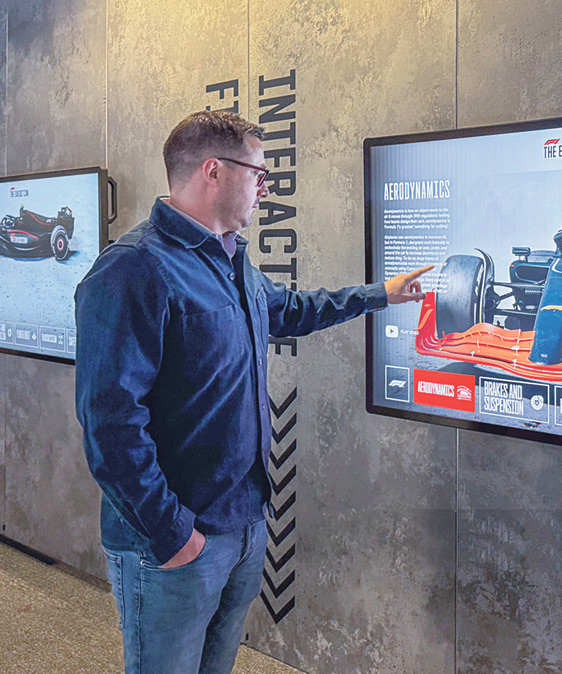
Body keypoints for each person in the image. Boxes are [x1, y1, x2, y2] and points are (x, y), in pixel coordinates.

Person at [75, 110, 429, 674]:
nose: (266, 187)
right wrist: (173, 534)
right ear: (213, 170)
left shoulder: (233, 257)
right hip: (173, 542)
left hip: (243, 525)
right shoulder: (132, 270)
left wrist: (380, 294)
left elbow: (290, 310)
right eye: (259, 173)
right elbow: (109, 426)